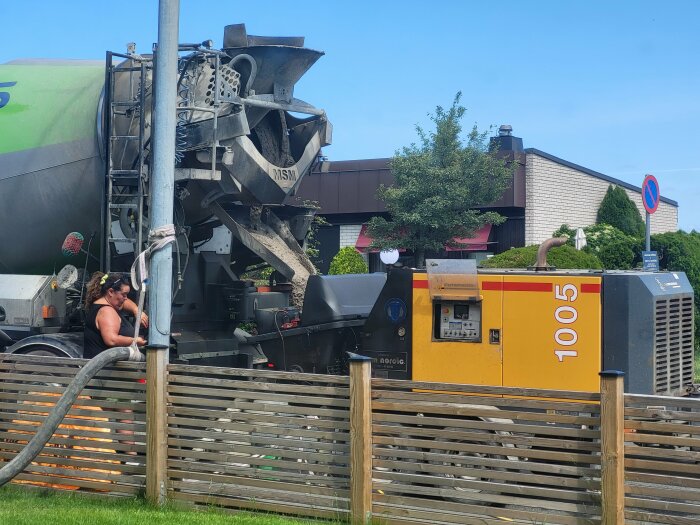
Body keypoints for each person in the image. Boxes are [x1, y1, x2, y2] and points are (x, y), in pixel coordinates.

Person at [83, 272, 148, 358]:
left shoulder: (105, 302)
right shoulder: (106, 311)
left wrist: (136, 310)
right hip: (105, 368)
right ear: (111, 292)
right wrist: (135, 341)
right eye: (124, 294)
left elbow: (125, 302)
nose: (126, 298)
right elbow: (111, 340)